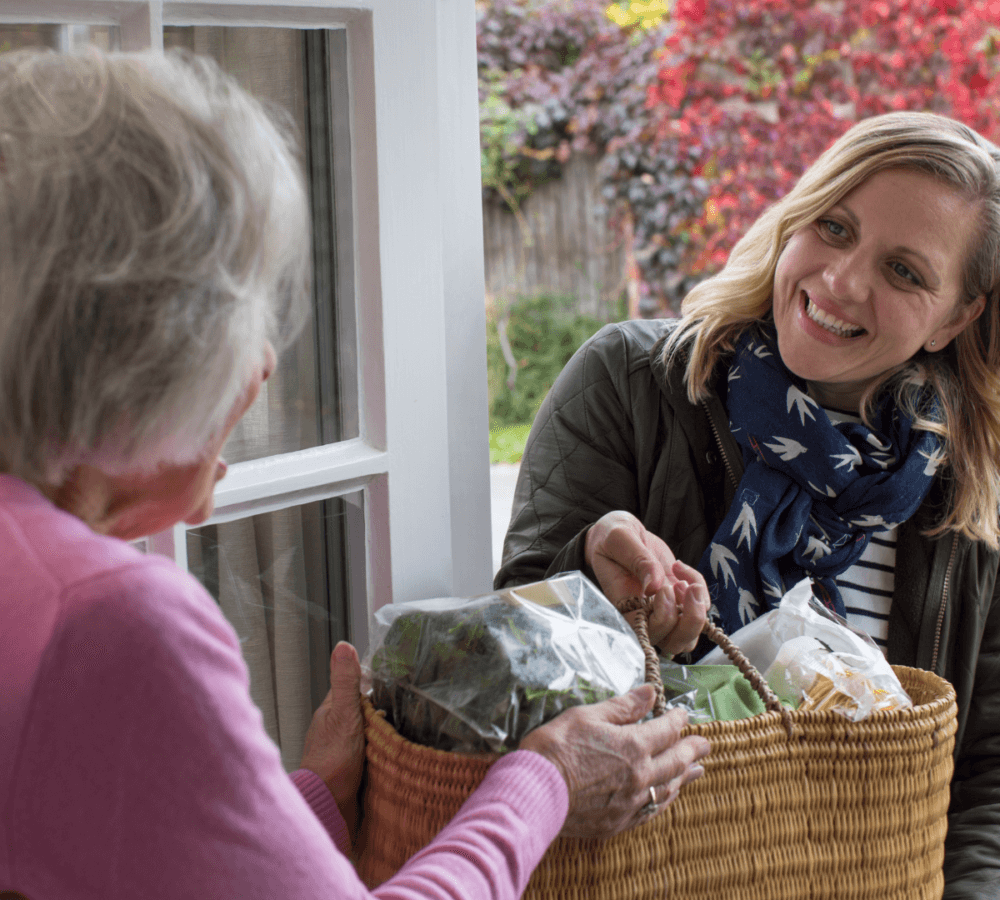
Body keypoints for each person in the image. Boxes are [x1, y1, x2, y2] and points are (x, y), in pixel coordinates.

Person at [0, 48, 711, 900]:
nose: (264, 364)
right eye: (247, 306)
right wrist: (547, 781)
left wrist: (306, 802)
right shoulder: (112, 620)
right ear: (138, 345)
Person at [496, 111, 1000, 898]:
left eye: (905, 272)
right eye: (834, 227)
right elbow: (507, 670)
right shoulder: (631, 383)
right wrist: (591, 575)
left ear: (958, 316)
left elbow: (987, 783)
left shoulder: (972, 492)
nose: (841, 280)